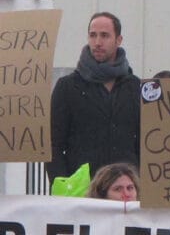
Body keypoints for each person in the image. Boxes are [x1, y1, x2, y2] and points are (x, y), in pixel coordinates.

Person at [48, 12, 142, 183]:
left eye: (105, 36)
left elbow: (145, 144)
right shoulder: (68, 87)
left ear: (118, 40)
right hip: (82, 192)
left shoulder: (135, 87)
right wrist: (61, 186)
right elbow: (53, 144)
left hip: (127, 191)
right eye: (93, 35)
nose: (97, 42)